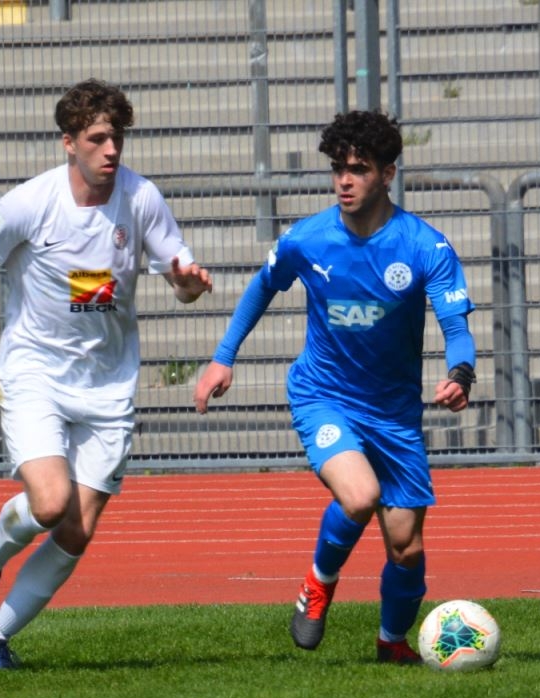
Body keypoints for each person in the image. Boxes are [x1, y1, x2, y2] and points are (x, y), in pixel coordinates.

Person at [0, 78, 212, 669]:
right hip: (36, 371)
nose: (111, 150)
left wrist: (188, 285)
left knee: (76, 531)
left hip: (108, 383)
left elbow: (181, 283)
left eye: (118, 138)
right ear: (69, 143)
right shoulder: (30, 203)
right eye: (97, 139)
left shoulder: (141, 198)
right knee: (51, 502)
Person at [194, 110, 476, 665]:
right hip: (324, 396)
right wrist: (222, 358)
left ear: (388, 174)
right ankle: (319, 582)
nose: (345, 181)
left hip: (394, 413)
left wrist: (460, 374)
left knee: (406, 547)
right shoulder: (308, 238)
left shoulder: (425, 247)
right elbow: (262, 287)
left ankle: (391, 643)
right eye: (338, 169)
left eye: (359, 169)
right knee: (360, 495)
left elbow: (456, 327)